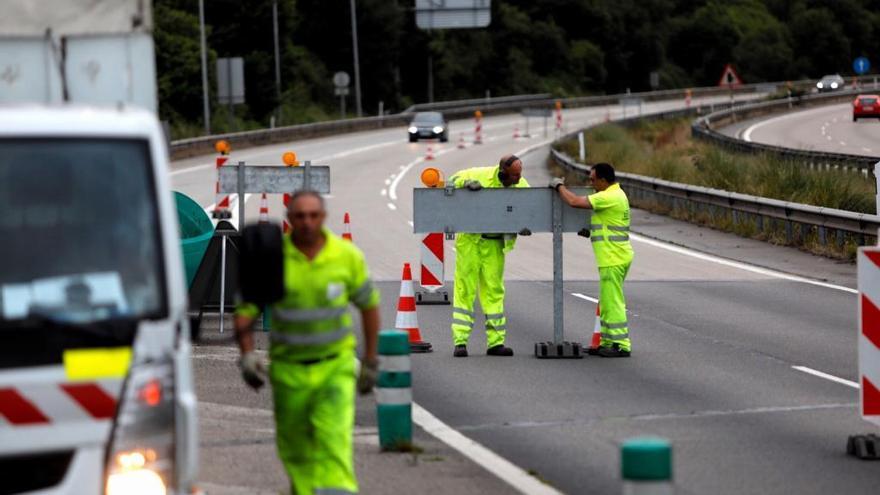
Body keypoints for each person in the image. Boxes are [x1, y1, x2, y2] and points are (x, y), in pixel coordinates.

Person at [234, 190, 381, 494]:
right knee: (295, 449)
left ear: (323, 217)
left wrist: (370, 359)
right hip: (289, 372)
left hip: (334, 368)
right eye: (300, 216)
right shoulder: (274, 260)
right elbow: (246, 310)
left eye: (314, 215)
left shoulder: (345, 256)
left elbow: (369, 305)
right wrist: (247, 355)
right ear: (289, 219)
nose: (307, 223)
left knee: (334, 442)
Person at [448, 154, 530, 357]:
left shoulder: (521, 185)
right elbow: (451, 180)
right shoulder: (480, 175)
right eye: (514, 176)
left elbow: (531, 204)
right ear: (503, 173)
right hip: (470, 241)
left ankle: (495, 343)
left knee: (494, 291)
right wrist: (466, 183)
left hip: (494, 244)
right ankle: (460, 342)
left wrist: (527, 223)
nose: (518, 179)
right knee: (464, 290)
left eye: (520, 174)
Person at [550, 163, 634, 357]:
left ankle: (621, 344)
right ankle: (606, 341)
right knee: (605, 301)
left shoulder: (609, 196)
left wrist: (559, 187)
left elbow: (575, 202)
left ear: (604, 180)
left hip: (612, 258)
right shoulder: (616, 194)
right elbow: (607, 224)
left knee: (612, 302)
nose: (591, 183)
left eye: (593, 179)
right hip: (615, 255)